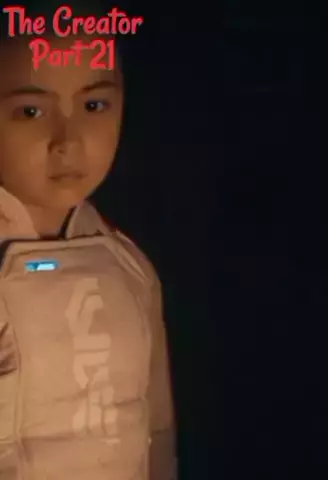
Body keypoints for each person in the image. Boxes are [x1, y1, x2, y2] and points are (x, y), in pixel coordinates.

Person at [0, 3, 176, 479]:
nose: (68, 141)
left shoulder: (130, 269)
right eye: (30, 111)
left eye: (94, 105)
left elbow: (157, 431)